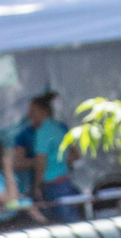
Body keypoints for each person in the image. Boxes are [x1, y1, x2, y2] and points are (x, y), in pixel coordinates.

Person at [18, 93, 77, 222]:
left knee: (58, 224)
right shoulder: (59, 128)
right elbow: (75, 154)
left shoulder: (43, 131)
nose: (30, 115)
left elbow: (41, 159)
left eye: (33, 111)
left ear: (43, 111)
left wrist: (37, 186)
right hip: (65, 182)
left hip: (52, 186)